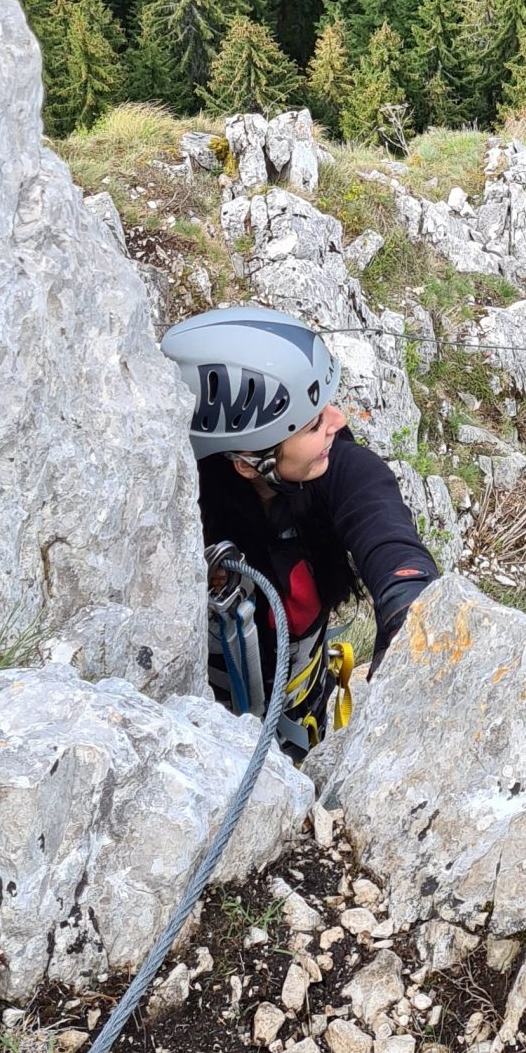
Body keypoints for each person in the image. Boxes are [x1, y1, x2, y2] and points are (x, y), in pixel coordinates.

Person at [161, 306, 438, 754]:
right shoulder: (171, 530)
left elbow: (384, 529)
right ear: (248, 463)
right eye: (313, 424)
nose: (338, 421)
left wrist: (408, 607)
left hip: (305, 717)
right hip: (201, 742)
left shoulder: (337, 470)